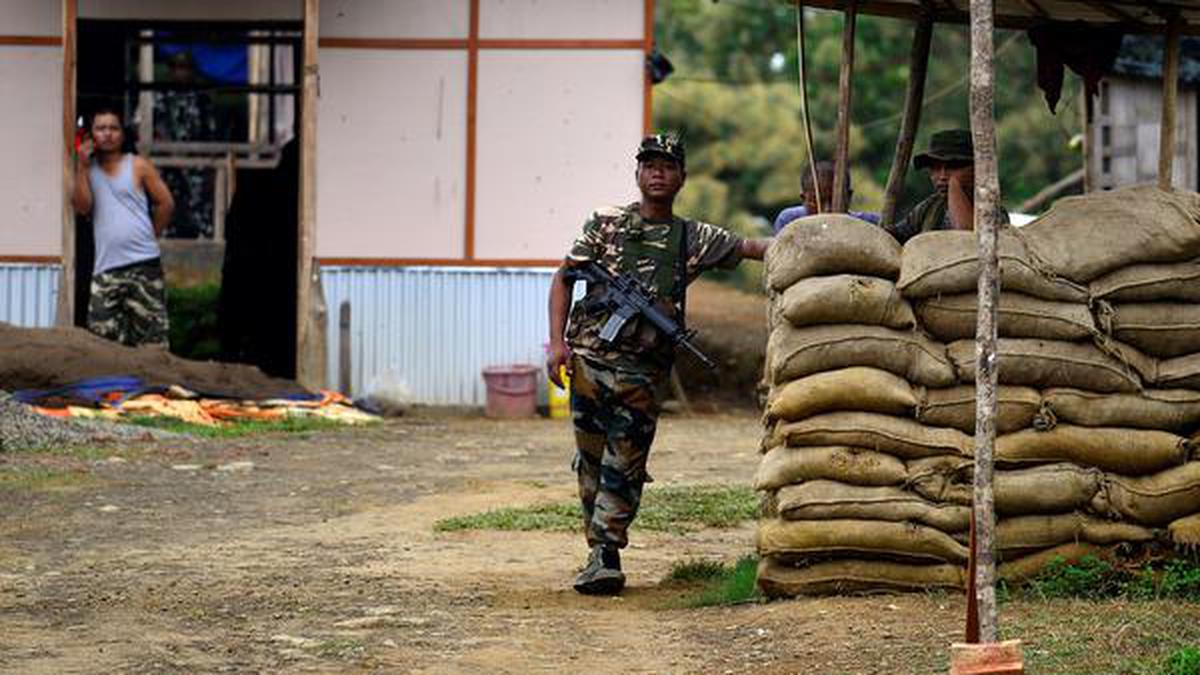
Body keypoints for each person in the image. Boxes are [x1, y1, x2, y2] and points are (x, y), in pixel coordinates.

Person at [546, 134, 770, 596]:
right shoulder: (605, 224)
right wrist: (557, 346)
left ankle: (607, 554)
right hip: (589, 359)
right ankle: (597, 551)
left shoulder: (692, 236)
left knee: (625, 460)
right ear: (638, 173)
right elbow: (564, 278)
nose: (658, 172)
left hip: (643, 371)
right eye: (650, 164)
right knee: (591, 460)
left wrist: (813, 231)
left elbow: (750, 246)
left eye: (668, 166)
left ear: (682, 178)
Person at [72, 106, 175, 347]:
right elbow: (83, 207)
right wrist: (82, 166)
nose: (107, 134)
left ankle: (154, 385)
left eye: (113, 128)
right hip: (106, 268)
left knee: (152, 342)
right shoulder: (86, 169)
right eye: (100, 128)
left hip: (144, 265)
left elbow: (166, 203)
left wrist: (152, 235)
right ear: (91, 135)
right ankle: (113, 387)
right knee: (102, 341)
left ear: (122, 133)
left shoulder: (138, 165)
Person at [886, 128, 1008, 245]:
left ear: (975, 170)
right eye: (936, 168)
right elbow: (895, 235)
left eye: (953, 167)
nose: (942, 176)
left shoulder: (992, 212)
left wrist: (954, 186)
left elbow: (968, 242)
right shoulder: (929, 207)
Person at [772, 160, 879, 234]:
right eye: (817, 201)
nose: (827, 210)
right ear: (804, 199)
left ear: (849, 197)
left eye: (834, 201)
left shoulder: (871, 225)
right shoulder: (789, 221)